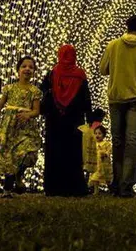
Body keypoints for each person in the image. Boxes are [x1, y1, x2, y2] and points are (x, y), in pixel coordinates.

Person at [99, 14, 136, 197]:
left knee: (117, 140)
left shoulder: (113, 45)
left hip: (116, 98)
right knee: (132, 142)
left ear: (126, 27)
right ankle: (127, 186)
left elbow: (103, 69)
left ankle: (116, 183)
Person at [0, 56, 41, 198]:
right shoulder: (9, 88)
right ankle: (7, 191)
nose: (27, 69)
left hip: (26, 128)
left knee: (29, 154)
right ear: (18, 70)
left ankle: (18, 176)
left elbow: (36, 110)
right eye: (24, 66)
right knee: (9, 157)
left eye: (31, 67)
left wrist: (28, 115)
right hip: (9, 127)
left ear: (34, 71)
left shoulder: (35, 91)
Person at [40, 44, 92, 197]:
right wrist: (90, 120)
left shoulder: (52, 73)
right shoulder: (80, 75)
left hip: (54, 119)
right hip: (74, 120)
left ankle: (53, 187)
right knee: (73, 153)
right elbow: (86, 99)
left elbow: (42, 90)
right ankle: (74, 187)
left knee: (54, 151)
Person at [80, 108, 107, 184]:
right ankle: (92, 186)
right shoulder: (98, 127)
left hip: (86, 148)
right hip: (94, 150)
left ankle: (86, 183)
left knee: (88, 168)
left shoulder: (88, 126)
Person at [89, 125, 112, 195]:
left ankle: (111, 189)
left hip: (104, 164)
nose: (97, 135)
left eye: (99, 133)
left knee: (107, 178)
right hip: (96, 164)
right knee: (95, 178)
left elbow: (109, 151)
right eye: (95, 133)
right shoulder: (93, 144)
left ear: (104, 135)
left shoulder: (106, 144)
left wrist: (105, 154)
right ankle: (96, 191)